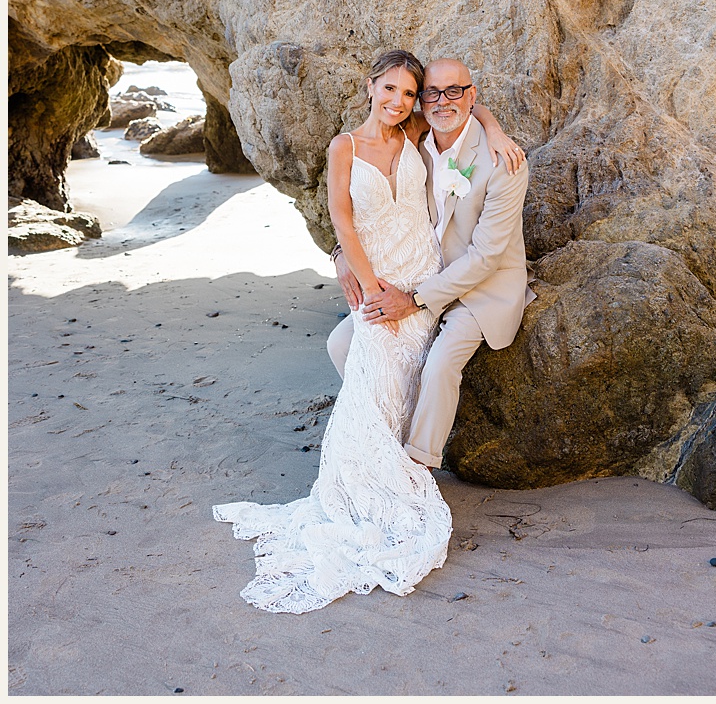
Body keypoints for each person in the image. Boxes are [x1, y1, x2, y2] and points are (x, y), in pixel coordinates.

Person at [210, 50, 522, 613]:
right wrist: (348, 265)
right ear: (371, 86)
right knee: (354, 352)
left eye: (410, 93)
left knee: (412, 358)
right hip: (390, 271)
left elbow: (466, 109)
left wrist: (496, 128)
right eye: (393, 91)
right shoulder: (372, 141)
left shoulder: (449, 140)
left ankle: (409, 470)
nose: (403, 102)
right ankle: (364, 471)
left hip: (439, 275)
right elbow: (344, 218)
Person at [328, 55, 531, 471]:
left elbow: (486, 257)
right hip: (419, 269)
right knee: (341, 343)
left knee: (439, 365)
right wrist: (340, 256)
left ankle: (417, 466)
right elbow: (360, 213)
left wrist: (415, 299)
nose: (442, 101)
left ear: (471, 95)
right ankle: (384, 430)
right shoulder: (415, 136)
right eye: (431, 93)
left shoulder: (503, 162)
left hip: (479, 287)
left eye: (454, 91)